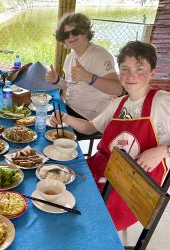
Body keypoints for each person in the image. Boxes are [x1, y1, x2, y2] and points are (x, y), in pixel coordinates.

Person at [51, 41, 170, 231]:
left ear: (152, 72)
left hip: (129, 191)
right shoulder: (119, 103)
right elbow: (90, 127)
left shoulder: (162, 101)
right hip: (101, 171)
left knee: (75, 221)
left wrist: (163, 151)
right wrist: (65, 118)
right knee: (55, 187)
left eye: (139, 69)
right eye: (125, 69)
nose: (131, 76)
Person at [45, 13, 123, 121]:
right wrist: (56, 80)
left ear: (86, 32)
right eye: (66, 34)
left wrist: (89, 77)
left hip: (90, 119)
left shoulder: (99, 55)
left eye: (75, 32)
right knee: (39, 114)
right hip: (70, 110)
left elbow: (118, 89)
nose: (71, 36)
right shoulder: (70, 58)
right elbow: (71, 86)